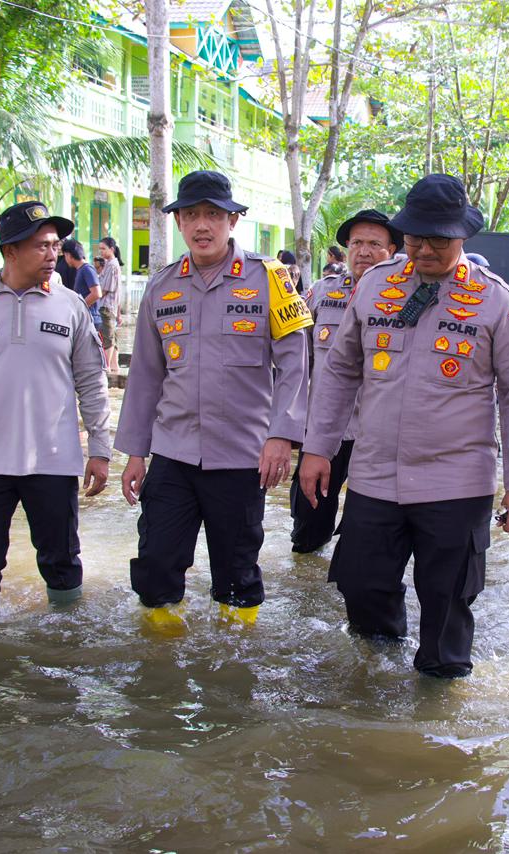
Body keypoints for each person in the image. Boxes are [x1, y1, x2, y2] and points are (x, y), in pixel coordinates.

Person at [298, 174, 509, 678]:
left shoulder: (498, 301)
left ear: (463, 238)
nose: (425, 249)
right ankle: (378, 680)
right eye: (415, 238)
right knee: (360, 584)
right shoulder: (375, 286)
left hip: (456, 483)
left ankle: (436, 713)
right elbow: (341, 369)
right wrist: (317, 448)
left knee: (447, 606)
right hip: (374, 476)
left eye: (439, 240)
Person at [115, 170, 311, 628]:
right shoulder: (161, 287)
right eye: (191, 215)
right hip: (172, 453)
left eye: (213, 215)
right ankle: (159, 671)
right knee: (156, 565)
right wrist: (134, 454)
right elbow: (145, 376)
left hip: (242, 456)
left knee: (236, 572)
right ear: (179, 222)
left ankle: (233, 673)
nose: (202, 226)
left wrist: (282, 435)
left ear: (232, 221)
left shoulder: (273, 278)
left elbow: (295, 365)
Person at [0, 201, 111, 616]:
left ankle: (66, 651)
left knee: (62, 564)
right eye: (41, 247)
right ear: (9, 251)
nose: (52, 255)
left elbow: (93, 384)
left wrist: (100, 450)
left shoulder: (71, 307)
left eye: (55, 245)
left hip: (54, 461)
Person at [289, 208, 401, 554]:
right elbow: (296, 361)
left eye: (374, 244)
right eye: (357, 243)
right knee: (308, 522)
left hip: (377, 434)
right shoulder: (322, 293)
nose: (364, 251)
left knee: (366, 531)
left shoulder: (405, 299)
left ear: (393, 251)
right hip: (326, 432)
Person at [63, 239, 102, 333]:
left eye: (64, 255)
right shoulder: (80, 270)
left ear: (68, 255)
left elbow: (97, 293)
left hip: (91, 319)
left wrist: (79, 307)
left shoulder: (87, 269)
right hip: (85, 318)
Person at [97, 237, 123, 373]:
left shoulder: (112, 265)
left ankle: (106, 366)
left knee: (108, 337)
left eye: (103, 248)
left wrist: (93, 296)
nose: (101, 251)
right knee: (112, 336)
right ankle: (114, 365)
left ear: (111, 249)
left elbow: (106, 288)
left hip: (107, 306)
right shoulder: (110, 264)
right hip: (111, 306)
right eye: (100, 248)